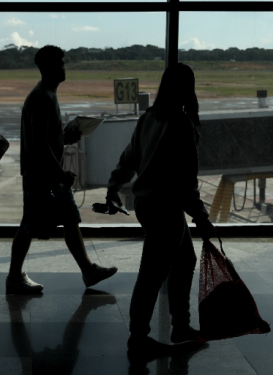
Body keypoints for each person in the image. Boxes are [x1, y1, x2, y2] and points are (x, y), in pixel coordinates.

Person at [100, 63, 216, 358]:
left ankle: (180, 326)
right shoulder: (180, 124)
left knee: (183, 260)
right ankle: (139, 339)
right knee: (151, 275)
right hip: (165, 207)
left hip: (148, 204)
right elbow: (185, 180)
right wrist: (200, 216)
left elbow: (129, 157)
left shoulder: (149, 117)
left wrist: (114, 186)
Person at [6, 45, 118, 295]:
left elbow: (46, 137)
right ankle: (14, 276)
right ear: (46, 68)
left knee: (69, 218)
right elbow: (39, 142)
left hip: (47, 174)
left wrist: (65, 137)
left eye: (63, 63)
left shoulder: (47, 95)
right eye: (59, 64)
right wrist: (59, 173)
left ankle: (88, 271)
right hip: (41, 175)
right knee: (30, 226)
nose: (63, 68)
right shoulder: (42, 97)